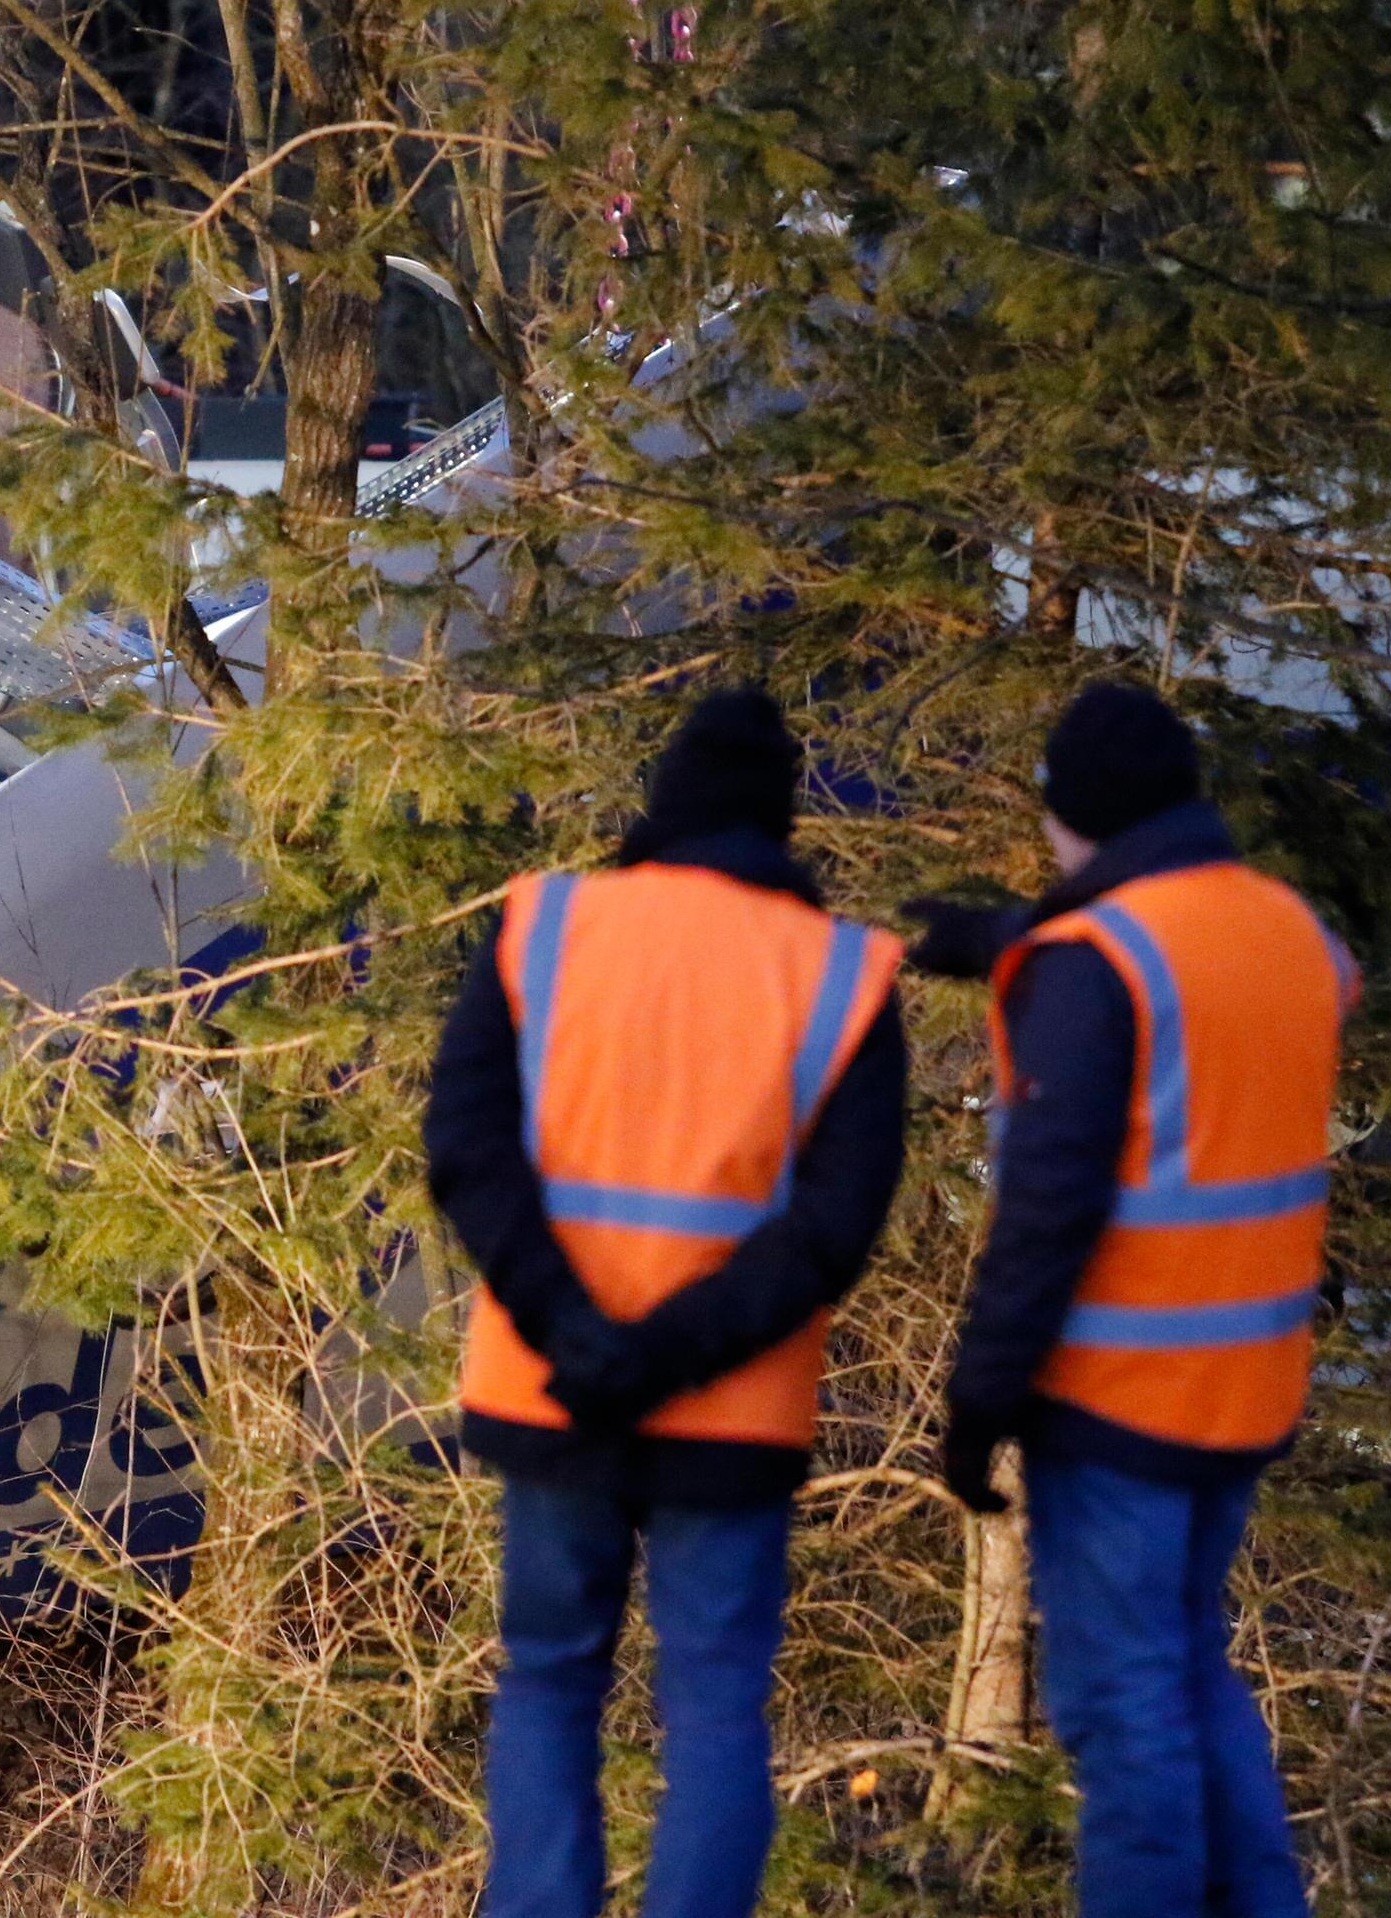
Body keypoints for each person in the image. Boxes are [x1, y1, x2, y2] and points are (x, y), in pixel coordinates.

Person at [426, 687, 908, 1918]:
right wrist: (677, 1347)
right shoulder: (843, 973)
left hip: (555, 1391)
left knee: (548, 1679)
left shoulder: (547, 925)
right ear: (782, 822)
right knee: (714, 1708)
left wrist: (573, 1330)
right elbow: (834, 1226)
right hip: (731, 1414)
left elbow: (467, 1150)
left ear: (661, 802)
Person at [915, 681, 1350, 1918]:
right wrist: (1015, 939)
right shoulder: (1283, 928)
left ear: (1069, 817)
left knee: (1124, 1711)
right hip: (1247, 1383)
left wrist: (979, 1397)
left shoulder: (1093, 966)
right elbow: (1187, 978)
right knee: (1190, 1671)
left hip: (1121, 1396)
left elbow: (1045, 1210)